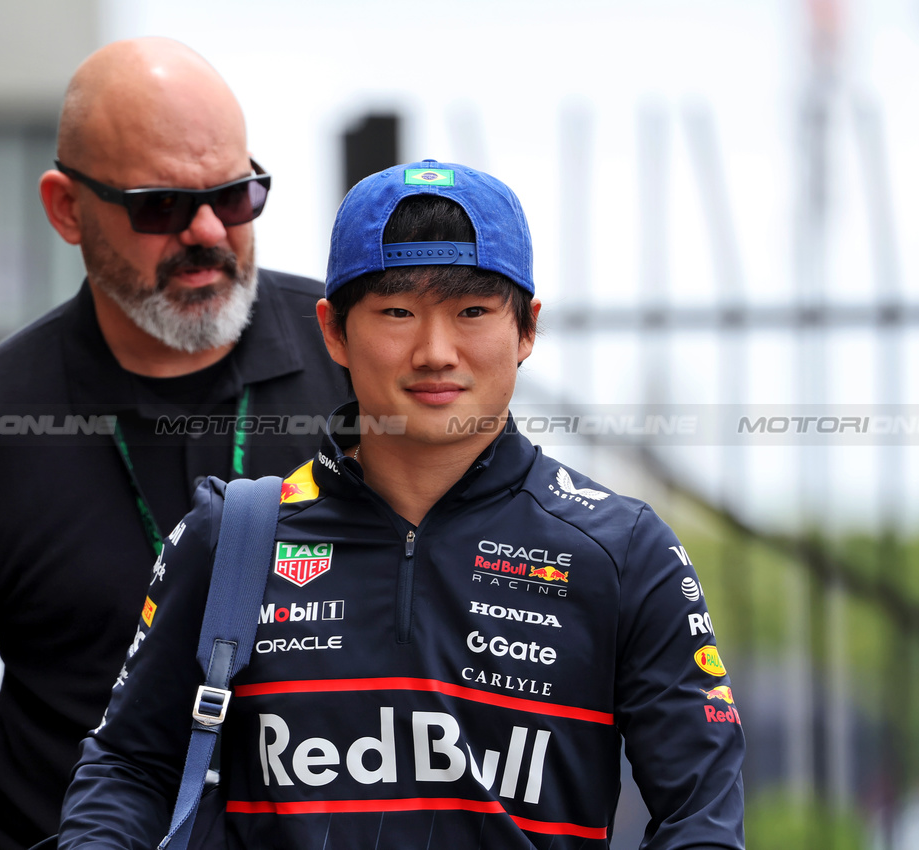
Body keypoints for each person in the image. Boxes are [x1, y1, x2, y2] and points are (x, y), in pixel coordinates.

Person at [58, 160, 746, 849]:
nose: (434, 351)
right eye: (396, 312)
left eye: (472, 311)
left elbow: (701, 816)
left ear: (527, 329)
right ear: (333, 331)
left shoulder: (623, 550)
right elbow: (128, 768)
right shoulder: (231, 538)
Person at [0, 38, 349, 850]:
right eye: (160, 205)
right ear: (65, 208)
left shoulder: (358, 358)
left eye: (236, 194)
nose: (208, 230)